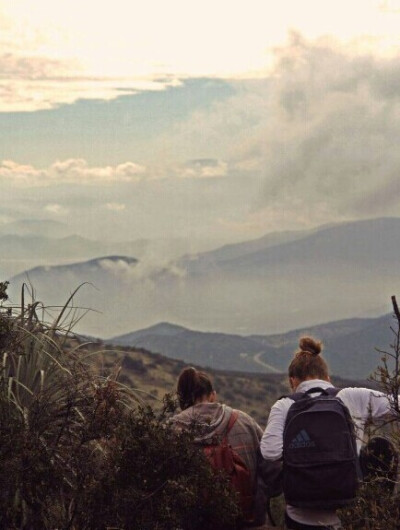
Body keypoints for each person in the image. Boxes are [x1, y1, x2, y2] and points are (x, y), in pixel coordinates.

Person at [260, 336, 397, 530]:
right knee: (380, 446)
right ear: (327, 378)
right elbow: (396, 404)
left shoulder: (284, 405)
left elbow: (269, 452)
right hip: (347, 513)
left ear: (293, 381)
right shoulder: (351, 396)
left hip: (300, 515)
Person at [171, 366, 267, 528]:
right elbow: (271, 467)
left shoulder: (171, 430)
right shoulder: (245, 421)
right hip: (243, 520)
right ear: (213, 396)